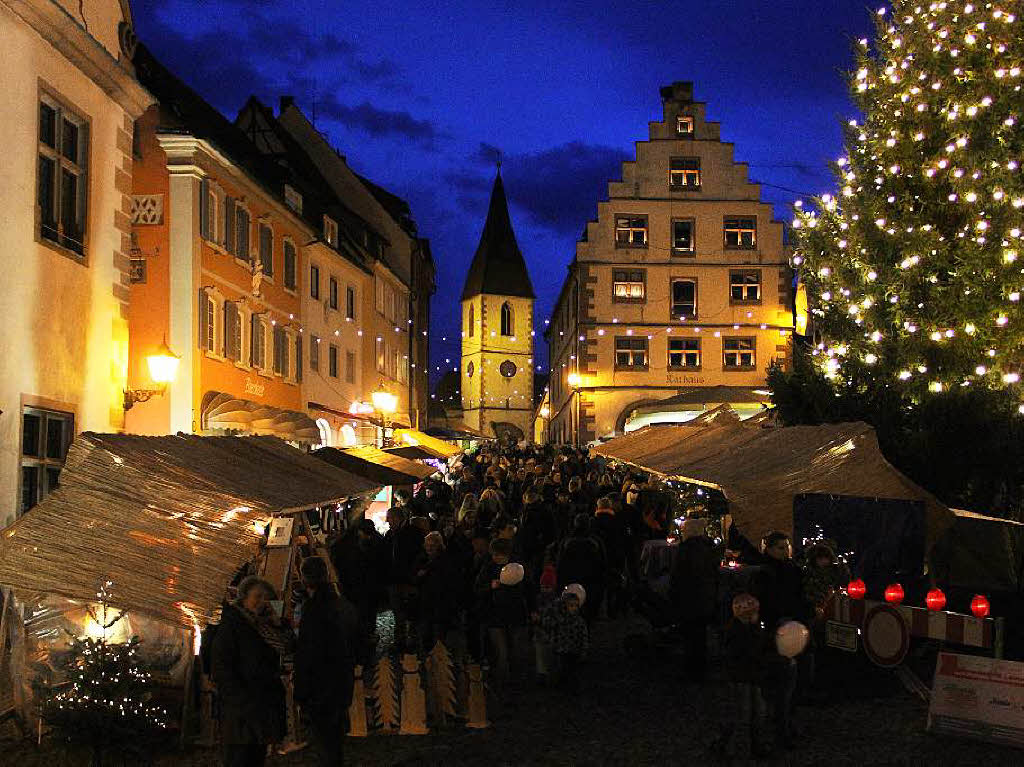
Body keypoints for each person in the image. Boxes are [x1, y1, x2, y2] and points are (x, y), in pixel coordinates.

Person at [211, 576, 287, 767]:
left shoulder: (264, 625)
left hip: (260, 705)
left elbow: (288, 646)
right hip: (241, 709)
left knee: (255, 756)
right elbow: (223, 666)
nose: (262, 602)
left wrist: (277, 624)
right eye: (258, 596)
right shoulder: (232, 625)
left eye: (266, 598)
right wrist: (241, 699)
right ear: (244, 598)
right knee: (239, 757)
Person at [294, 556, 355, 766]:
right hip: (338, 683)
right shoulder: (338, 604)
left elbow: (309, 653)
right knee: (333, 742)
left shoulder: (315, 610)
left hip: (321, 687)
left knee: (326, 744)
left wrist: (302, 690)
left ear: (304, 579)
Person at [721, 593, 797, 757]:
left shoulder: (751, 628)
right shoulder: (738, 633)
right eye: (755, 612)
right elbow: (753, 654)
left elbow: (762, 644)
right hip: (742, 678)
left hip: (753, 676)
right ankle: (733, 747)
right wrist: (779, 660)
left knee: (757, 712)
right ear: (748, 614)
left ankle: (753, 745)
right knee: (743, 714)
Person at [669, 517, 720, 683]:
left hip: (690, 598)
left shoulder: (686, 550)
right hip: (705, 597)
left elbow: (679, 576)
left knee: (691, 636)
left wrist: (674, 595)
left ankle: (692, 670)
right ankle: (700, 667)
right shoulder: (709, 548)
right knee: (700, 634)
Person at [537, 587, 589, 694]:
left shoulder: (579, 621)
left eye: (575, 606)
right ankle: (560, 687)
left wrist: (583, 649)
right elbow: (550, 627)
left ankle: (570, 688)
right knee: (560, 669)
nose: (573, 608)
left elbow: (583, 636)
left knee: (572, 670)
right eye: (571, 606)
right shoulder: (560, 619)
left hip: (573, 649)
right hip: (561, 648)